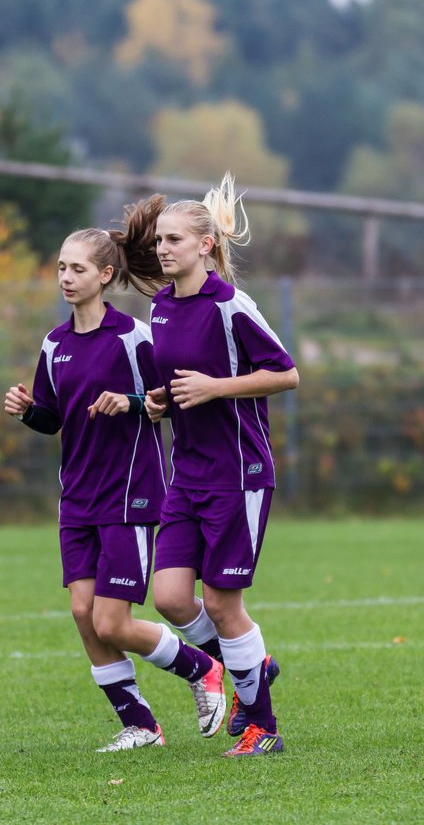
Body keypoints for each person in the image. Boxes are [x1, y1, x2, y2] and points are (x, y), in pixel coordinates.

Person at [4, 211, 227, 754]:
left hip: (129, 495)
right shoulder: (53, 344)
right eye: (60, 267)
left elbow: (168, 403)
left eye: (77, 268)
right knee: (85, 615)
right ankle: (140, 725)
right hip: (76, 497)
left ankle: (205, 668)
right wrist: (27, 411)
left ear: (104, 275)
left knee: (113, 620)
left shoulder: (135, 338)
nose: (65, 277)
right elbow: (54, 417)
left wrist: (129, 403)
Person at [135, 173, 299, 757]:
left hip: (239, 473)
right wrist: (158, 402)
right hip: (189, 474)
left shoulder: (231, 305)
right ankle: (252, 665)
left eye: (174, 240)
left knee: (225, 604)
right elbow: (169, 389)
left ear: (205, 245)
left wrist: (215, 387)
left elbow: (286, 373)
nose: (162, 249)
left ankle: (262, 726)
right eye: (159, 241)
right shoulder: (159, 308)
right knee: (173, 599)